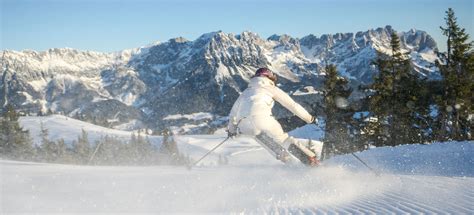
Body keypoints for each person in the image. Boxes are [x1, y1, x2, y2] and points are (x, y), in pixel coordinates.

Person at [227, 68, 323, 166]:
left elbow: (233, 115)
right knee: (284, 140)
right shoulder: (271, 88)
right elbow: (292, 105)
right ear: (269, 77)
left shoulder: (245, 92)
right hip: (263, 119)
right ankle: (311, 160)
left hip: (245, 125)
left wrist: (231, 130)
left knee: (260, 136)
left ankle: (288, 162)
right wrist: (309, 119)